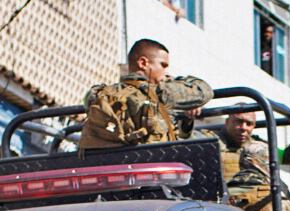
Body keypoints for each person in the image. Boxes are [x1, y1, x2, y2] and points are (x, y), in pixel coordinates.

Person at [79, 38, 211, 151]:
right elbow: (204, 91)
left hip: (108, 164)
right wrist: (175, 80)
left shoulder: (98, 94)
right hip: (153, 163)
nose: (165, 72)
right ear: (143, 63)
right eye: (163, 65)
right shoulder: (161, 92)